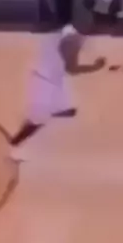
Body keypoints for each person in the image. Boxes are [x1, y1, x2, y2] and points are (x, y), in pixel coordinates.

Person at [9, 23, 105, 161]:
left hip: (51, 79)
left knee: (69, 111)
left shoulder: (68, 31)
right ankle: (13, 146)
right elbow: (72, 69)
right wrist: (95, 67)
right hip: (44, 82)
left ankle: (43, 112)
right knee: (37, 120)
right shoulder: (72, 40)